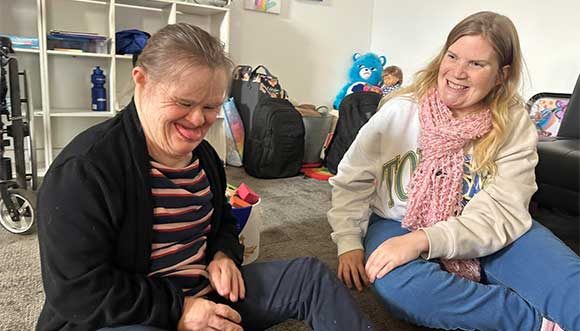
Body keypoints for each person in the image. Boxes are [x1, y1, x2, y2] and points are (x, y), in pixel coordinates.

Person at [36, 23, 374, 331]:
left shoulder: (204, 157)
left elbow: (222, 221)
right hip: (128, 315)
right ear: (142, 81)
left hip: (204, 293)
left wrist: (222, 255)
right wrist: (178, 309)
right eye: (184, 102)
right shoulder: (84, 169)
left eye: (212, 106)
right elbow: (77, 292)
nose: (199, 120)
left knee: (309, 277)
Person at [328, 11, 579, 331]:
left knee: (573, 290)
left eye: (477, 64)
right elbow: (352, 179)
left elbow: (504, 212)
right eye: (453, 56)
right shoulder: (401, 109)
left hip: (490, 229)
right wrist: (349, 241)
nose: (458, 72)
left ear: (501, 75)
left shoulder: (513, 123)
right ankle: (535, 323)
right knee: (403, 286)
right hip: (397, 222)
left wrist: (425, 240)